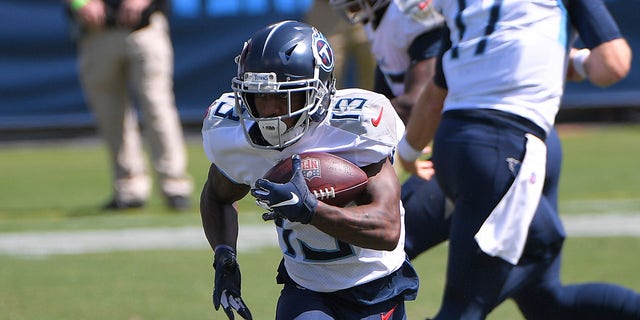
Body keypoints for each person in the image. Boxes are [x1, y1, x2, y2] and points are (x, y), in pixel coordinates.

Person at [398, 0, 639, 319]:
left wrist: (408, 153)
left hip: (458, 144)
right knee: (463, 308)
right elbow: (612, 65)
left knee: (545, 300)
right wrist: (578, 59)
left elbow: (436, 92)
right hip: (507, 146)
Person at [200, 20, 419, 320]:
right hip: (304, 288)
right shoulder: (238, 138)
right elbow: (217, 194)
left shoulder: (354, 130)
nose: (270, 110)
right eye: (259, 95)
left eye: (283, 95)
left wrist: (310, 210)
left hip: (375, 288)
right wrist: (225, 256)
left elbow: (386, 228)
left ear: (317, 93)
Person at [65, 0, 193, 210]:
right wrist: (81, 2)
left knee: (157, 107)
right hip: (96, 32)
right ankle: (129, 188)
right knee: (110, 114)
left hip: (144, 27)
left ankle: (174, 185)